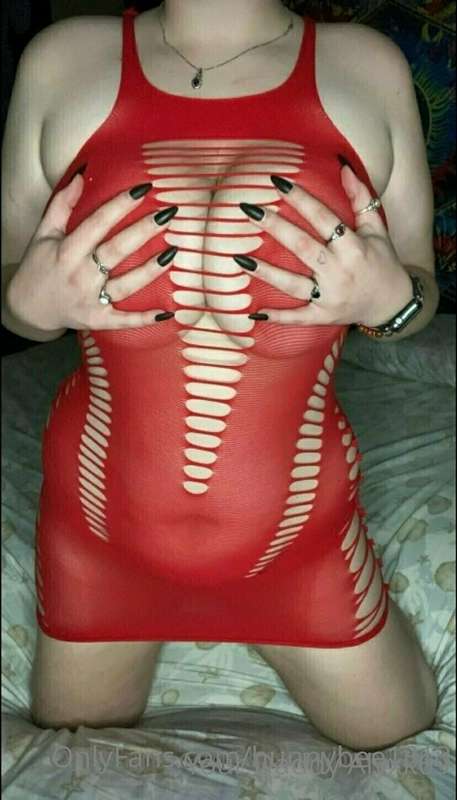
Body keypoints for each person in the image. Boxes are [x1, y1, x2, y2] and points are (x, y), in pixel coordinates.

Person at [1, 0, 439, 748]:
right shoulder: (60, 57)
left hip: (298, 541)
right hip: (98, 535)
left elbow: (419, 289)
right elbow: (14, 287)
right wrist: (28, 305)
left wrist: (389, 302)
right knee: (75, 752)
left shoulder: (368, 65)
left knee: (399, 733)